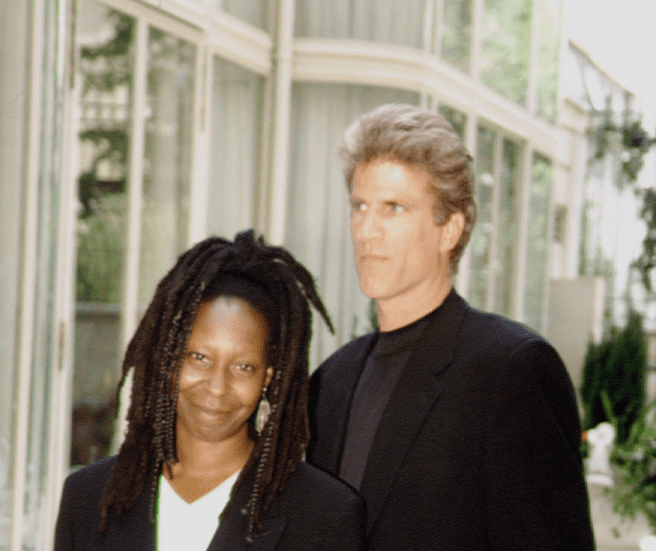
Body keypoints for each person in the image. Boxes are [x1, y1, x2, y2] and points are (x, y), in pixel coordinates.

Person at [307, 104, 595, 550]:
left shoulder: (510, 371)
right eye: (359, 206)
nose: (366, 230)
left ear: (450, 230)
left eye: (394, 208)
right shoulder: (331, 380)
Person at [54, 230, 366, 551]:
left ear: (268, 377)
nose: (217, 386)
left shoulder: (325, 515)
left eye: (243, 367)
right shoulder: (87, 498)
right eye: (199, 358)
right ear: (169, 359)